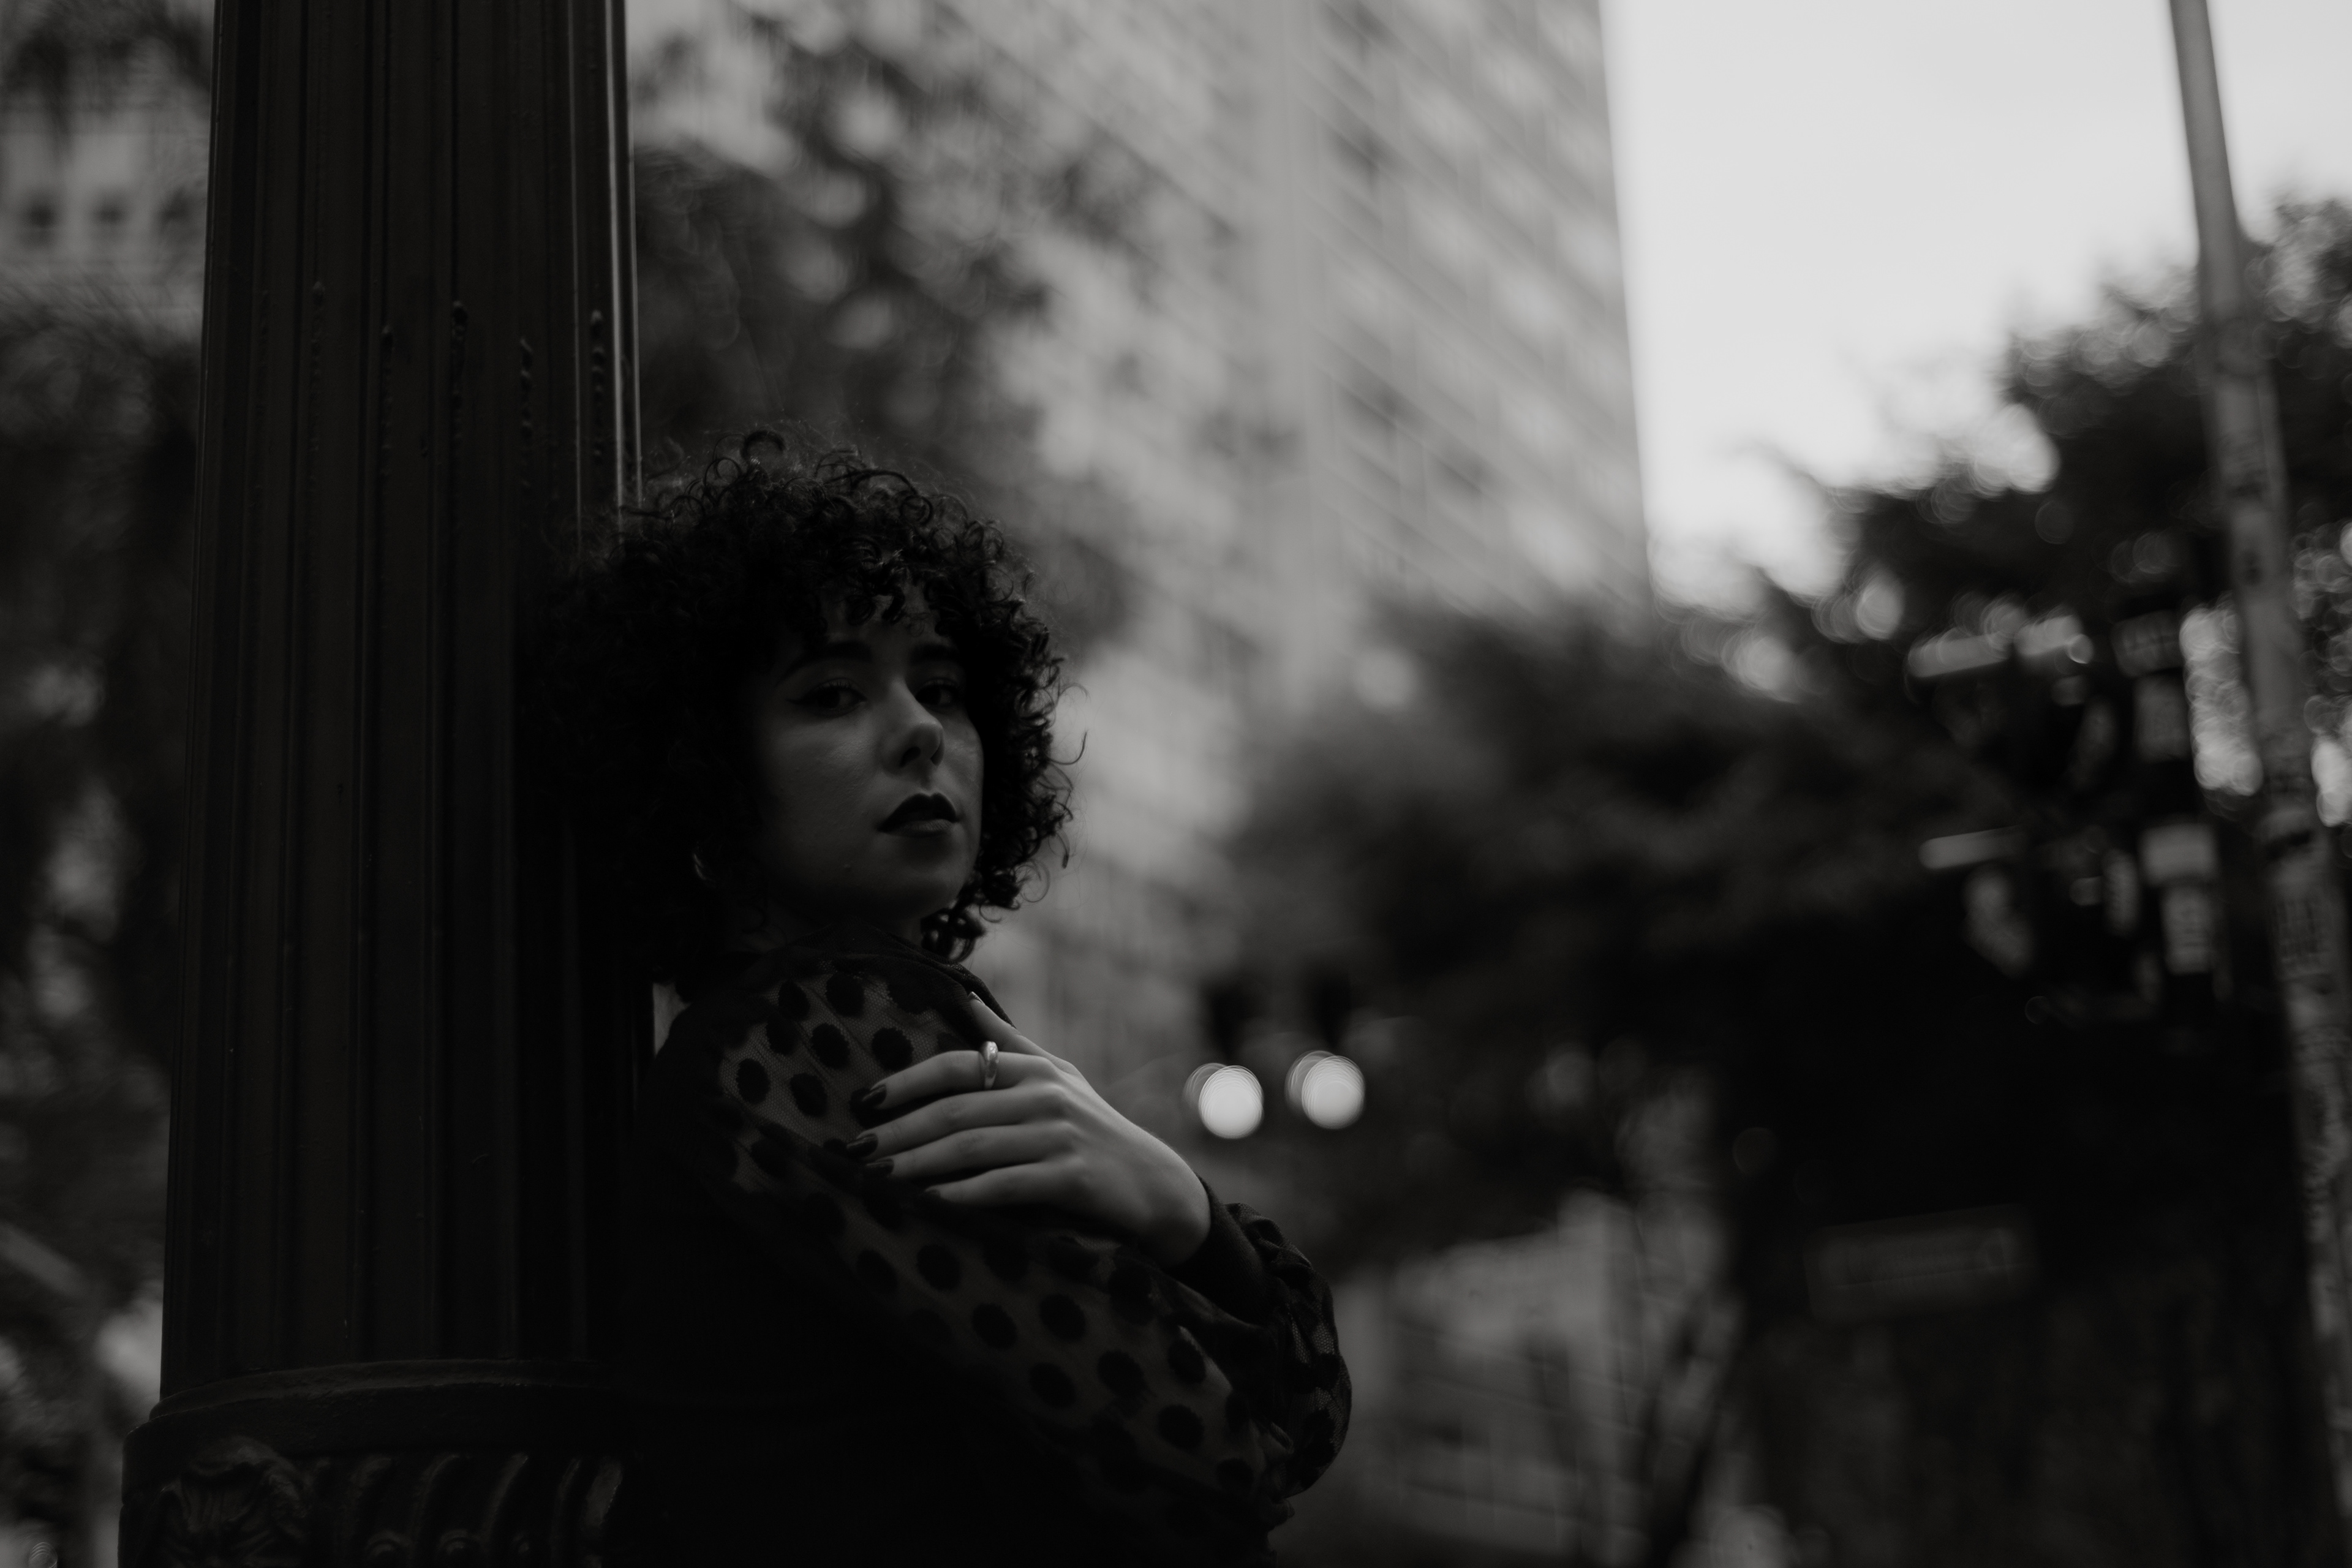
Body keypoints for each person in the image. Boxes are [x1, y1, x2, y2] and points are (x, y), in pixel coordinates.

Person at [542, 438, 1349, 1567]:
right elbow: (1225, 1452)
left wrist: (1178, 1204)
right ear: (702, 767)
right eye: (831, 694)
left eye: (943, 687)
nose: (921, 727)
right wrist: (1188, 1216)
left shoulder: (808, 1035)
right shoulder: (812, 1028)